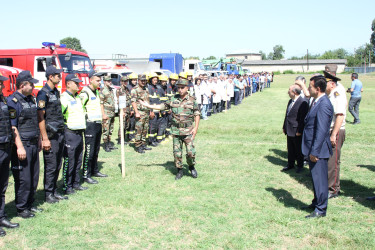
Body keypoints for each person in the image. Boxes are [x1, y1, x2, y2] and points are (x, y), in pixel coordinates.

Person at [140, 79, 200, 180]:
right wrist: (148, 105)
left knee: (190, 152)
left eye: (182, 88)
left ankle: (191, 167)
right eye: (179, 88)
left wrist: (196, 128)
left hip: (188, 131)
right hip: (176, 131)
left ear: (187, 88)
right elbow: (162, 106)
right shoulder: (173, 99)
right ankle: (179, 170)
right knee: (177, 153)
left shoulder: (192, 100)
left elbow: (197, 114)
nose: (180, 90)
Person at [7, 71, 42, 219]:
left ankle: (29, 204)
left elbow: (35, 120)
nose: (33, 86)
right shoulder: (13, 102)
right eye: (31, 84)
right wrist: (19, 147)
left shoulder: (30, 99)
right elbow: (13, 127)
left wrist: (40, 139)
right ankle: (21, 208)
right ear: (22, 85)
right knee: (23, 179)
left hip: (33, 143)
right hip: (23, 146)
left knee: (34, 177)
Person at [302, 75, 333, 219]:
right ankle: (316, 202)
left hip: (318, 150)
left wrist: (314, 151)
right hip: (313, 148)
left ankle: (321, 209)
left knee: (320, 180)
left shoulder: (324, 104)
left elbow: (321, 131)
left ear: (318, 89)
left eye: (310, 86)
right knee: (315, 179)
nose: (309, 89)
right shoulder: (317, 101)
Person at [36, 65, 67, 204]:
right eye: (57, 75)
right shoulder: (43, 94)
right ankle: (48, 194)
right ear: (50, 76)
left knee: (58, 164)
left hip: (59, 132)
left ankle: (54, 190)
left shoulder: (55, 92)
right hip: (50, 135)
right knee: (51, 165)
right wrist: (45, 138)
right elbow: (40, 117)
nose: (60, 77)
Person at [61, 74, 88, 195]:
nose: (78, 85)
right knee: (69, 161)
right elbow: (60, 116)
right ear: (68, 84)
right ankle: (67, 186)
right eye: (76, 83)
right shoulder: (64, 98)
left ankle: (76, 183)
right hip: (69, 133)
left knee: (78, 160)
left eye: (79, 83)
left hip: (79, 133)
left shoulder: (77, 97)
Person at [79, 72, 108, 185]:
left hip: (97, 124)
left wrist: (103, 115)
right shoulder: (85, 92)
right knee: (89, 151)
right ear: (90, 80)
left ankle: (94, 170)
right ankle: (86, 174)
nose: (99, 82)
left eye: (100, 80)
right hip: (90, 125)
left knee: (96, 150)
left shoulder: (96, 91)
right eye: (97, 80)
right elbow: (80, 107)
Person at [0, 73, 19, 236]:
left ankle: (2, 216)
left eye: (1, 83)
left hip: (5, 146)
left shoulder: (4, 100)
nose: (1, 85)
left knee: (3, 185)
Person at [324, 71, 347, 199]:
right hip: (331, 130)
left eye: (325, 83)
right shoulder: (332, 93)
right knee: (329, 160)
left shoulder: (337, 94)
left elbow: (340, 115)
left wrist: (334, 134)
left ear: (331, 83)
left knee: (333, 161)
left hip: (335, 130)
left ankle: (333, 189)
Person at [282, 84, 308, 173]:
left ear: (295, 92)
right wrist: (284, 126)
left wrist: (300, 130)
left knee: (298, 149)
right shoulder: (290, 101)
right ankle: (290, 164)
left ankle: (300, 166)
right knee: (290, 148)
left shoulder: (302, 102)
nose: (288, 92)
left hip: (296, 130)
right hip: (289, 129)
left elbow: (302, 119)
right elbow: (287, 115)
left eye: (289, 90)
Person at [131, 74, 152, 154]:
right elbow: (133, 102)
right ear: (138, 80)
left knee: (145, 129)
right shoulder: (134, 90)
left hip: (146, 112)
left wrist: (150, 110)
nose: (143, 82)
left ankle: (143, 144)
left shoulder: (146, 89)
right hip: (140, 112)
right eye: (142, 80)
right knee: (139, 130)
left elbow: (148, 100)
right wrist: (136, 112)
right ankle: (138, 146)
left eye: (145, 80)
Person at [100, 75, 117, 152]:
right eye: (108, 81)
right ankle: (106, 145)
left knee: (111, 129)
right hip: (106, 112)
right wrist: (103, 114)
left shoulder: (111, 90)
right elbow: (101, 103)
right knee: (106, 130)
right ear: (104, 82)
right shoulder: (103, 90)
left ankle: (109, 143)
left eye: (110, 81)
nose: (110, 82)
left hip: (112, 112)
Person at [116, 76, 132, 145]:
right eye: (124, 81)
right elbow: (119, 101)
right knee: (122, 125)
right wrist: (122, 111)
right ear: (121, 82)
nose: (126, 83)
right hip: (123, 111)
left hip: (128, 109)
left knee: (126, 125)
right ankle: (120, 140)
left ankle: (124, 138)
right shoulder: (119, 90)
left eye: (126, 81)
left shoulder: (127, 89)